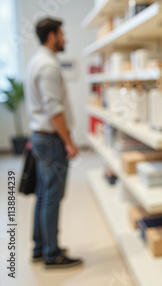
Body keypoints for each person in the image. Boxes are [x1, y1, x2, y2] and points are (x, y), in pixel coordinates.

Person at [24, 18, 82, 269]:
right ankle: (52, 253)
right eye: (62, 34)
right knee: (51, 197)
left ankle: (40, 248)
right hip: (51, 140)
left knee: (43, 195)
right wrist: (68, 142)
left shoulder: (37, 61)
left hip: (41, 138)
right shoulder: (48, 66)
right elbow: (54, 109)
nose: (65, 38)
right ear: (51, 37)